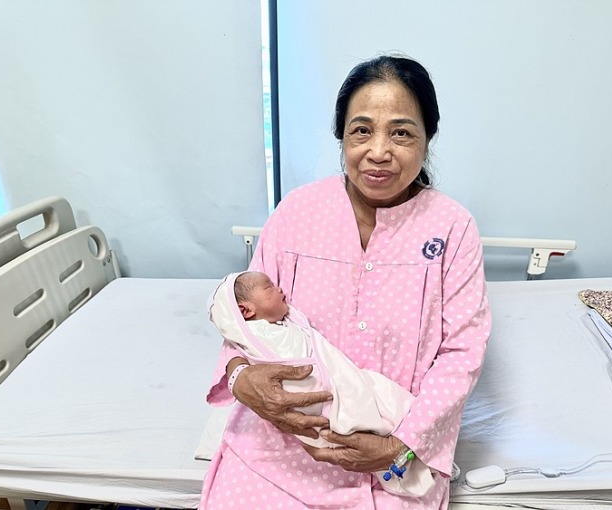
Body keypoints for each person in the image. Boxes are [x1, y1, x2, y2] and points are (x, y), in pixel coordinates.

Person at [199, 54, 491, 510]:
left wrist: (401, 445)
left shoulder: (452, 228)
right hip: (280, 448)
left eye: (401, 132)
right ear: (341, 137)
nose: (378, 151)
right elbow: (243, 316)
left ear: (427, 139)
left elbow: (462, 353)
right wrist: (239, 378)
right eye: (361, 130)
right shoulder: (296, 213)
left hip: (389, 452)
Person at [208, 270, 437, 496]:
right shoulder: (256, 334)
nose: (280, 289)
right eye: (270, 287)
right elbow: (237, 345)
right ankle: (407, 454)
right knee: (367, 414)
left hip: (348, 379)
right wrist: (237, 373)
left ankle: (414, 446)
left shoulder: (278, 324)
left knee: (387, 399)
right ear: (245, 311)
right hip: (315, 403)